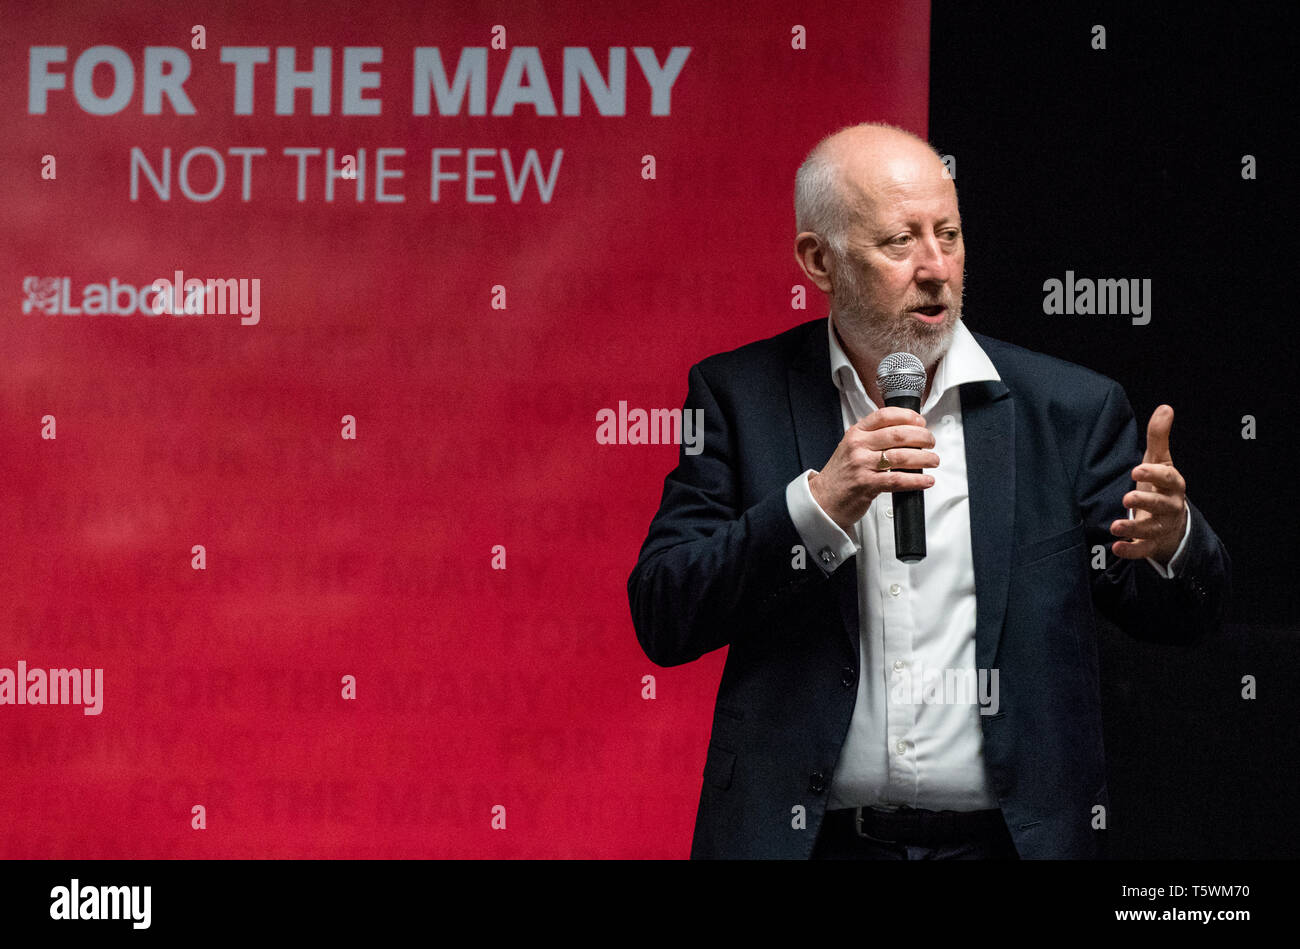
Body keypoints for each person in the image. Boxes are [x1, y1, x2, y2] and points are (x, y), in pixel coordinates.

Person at [626, 122, 1230, 860]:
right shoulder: (735, 396)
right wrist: (817, 506)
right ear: (820, 260)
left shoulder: (1068, 410)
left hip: (1007, 845)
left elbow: (1180, 619)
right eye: (898, 242)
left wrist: (1174, 546)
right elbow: (664, 610)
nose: (937, 267)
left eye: (948, 233)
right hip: (813, 844)